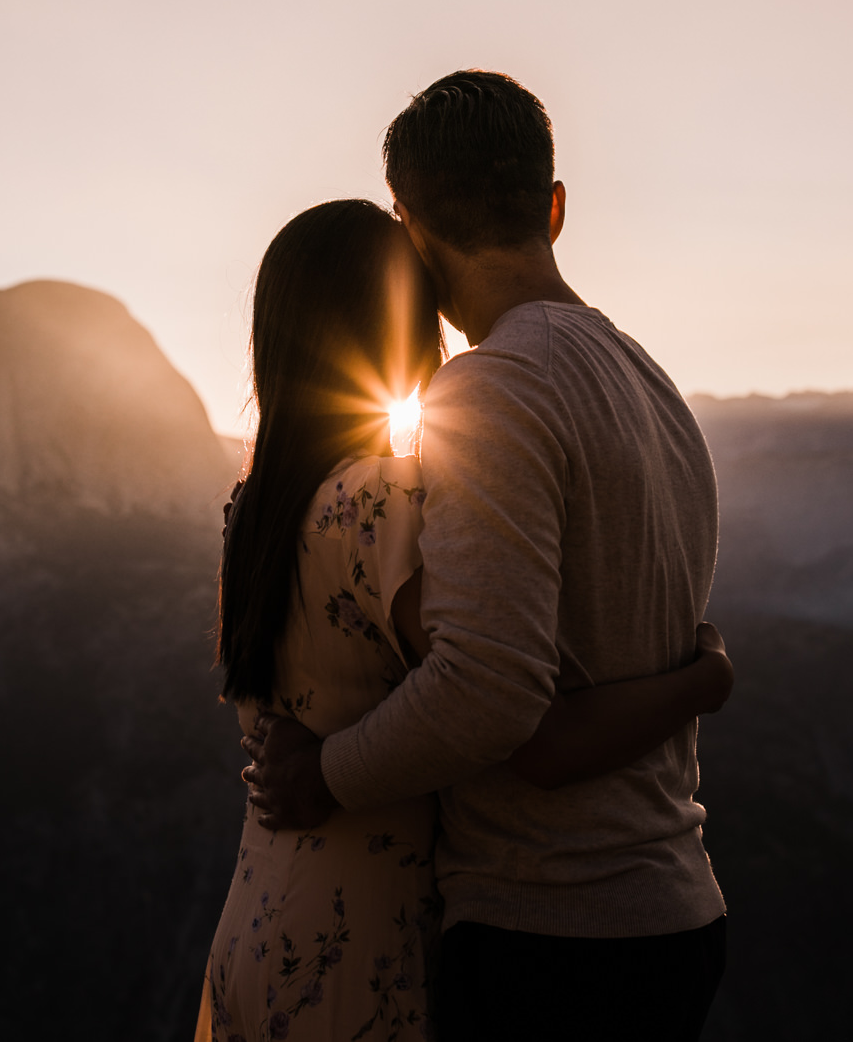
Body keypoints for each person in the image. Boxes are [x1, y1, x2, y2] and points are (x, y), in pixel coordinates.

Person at [242, 72, 729, 1040]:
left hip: (548, 933)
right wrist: (703, 680)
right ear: (553, 207)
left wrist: (324, 775)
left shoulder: (487, 390)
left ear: (409, 233)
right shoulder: (654, 387)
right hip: (675, 910)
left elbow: (490, 690)